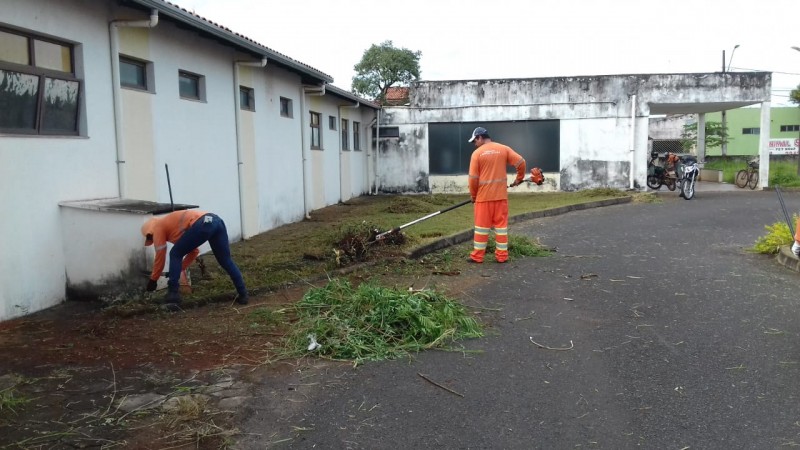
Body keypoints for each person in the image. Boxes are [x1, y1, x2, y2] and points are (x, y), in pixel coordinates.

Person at [141, 209, 248, 310]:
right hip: (216, 221)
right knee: (225, 260)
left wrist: (153, 280)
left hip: (203, 223)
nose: (153, 240)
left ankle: (173, 296)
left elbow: (160, 256)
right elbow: (194, 252)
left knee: (175, 253)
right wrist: (178, 269)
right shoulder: (172, 227)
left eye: (150, 238)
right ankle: (243, 294)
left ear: (150, 232)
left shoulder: (157, 227)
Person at [467, 126, 527, 263]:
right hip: (500, 198)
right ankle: (502, 256)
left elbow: (473, 179)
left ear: (479, 138)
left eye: (474, 141)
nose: (474, 144)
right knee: (501, 228)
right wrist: (519, 178)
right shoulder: (503, 149)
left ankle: (477, 256)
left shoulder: (477, 154)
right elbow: (521, 162)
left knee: (481, 228)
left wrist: (473, 196)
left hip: (483, 199)